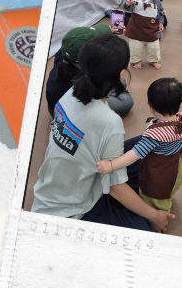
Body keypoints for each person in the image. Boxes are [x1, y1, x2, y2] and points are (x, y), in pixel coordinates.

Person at [32, 34, 170, 232]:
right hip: (71, 210)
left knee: (148, 142)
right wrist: (155, 216)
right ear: (122, 74)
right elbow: (115, 187)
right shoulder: (109, 122)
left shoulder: (71, 92)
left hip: (54, 189)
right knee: (144, 229)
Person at [95, 75, 182, 212]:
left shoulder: (155, 135)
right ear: (181, 102)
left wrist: (111, 165)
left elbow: (135, 154)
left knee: (155, 198)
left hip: (160, 174)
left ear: (150, 107)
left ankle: (161, 216)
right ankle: (167, 200)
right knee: (169, 191)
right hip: (178, 166)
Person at [45, 24, 134, 121]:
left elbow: (85, 37)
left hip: (60, 105)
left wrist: (108, 30)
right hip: (68, 114)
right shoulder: (84, 77)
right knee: (126, 102)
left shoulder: (68, 51)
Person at [123, 0, 166, 69]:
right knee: (135, 46)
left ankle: (154, 60)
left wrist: (161, 22)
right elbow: (126, 7)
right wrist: (127, 4)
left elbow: (160, 12)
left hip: (152, 28)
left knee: (154, 46)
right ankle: (137, 60)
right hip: (136, 28)